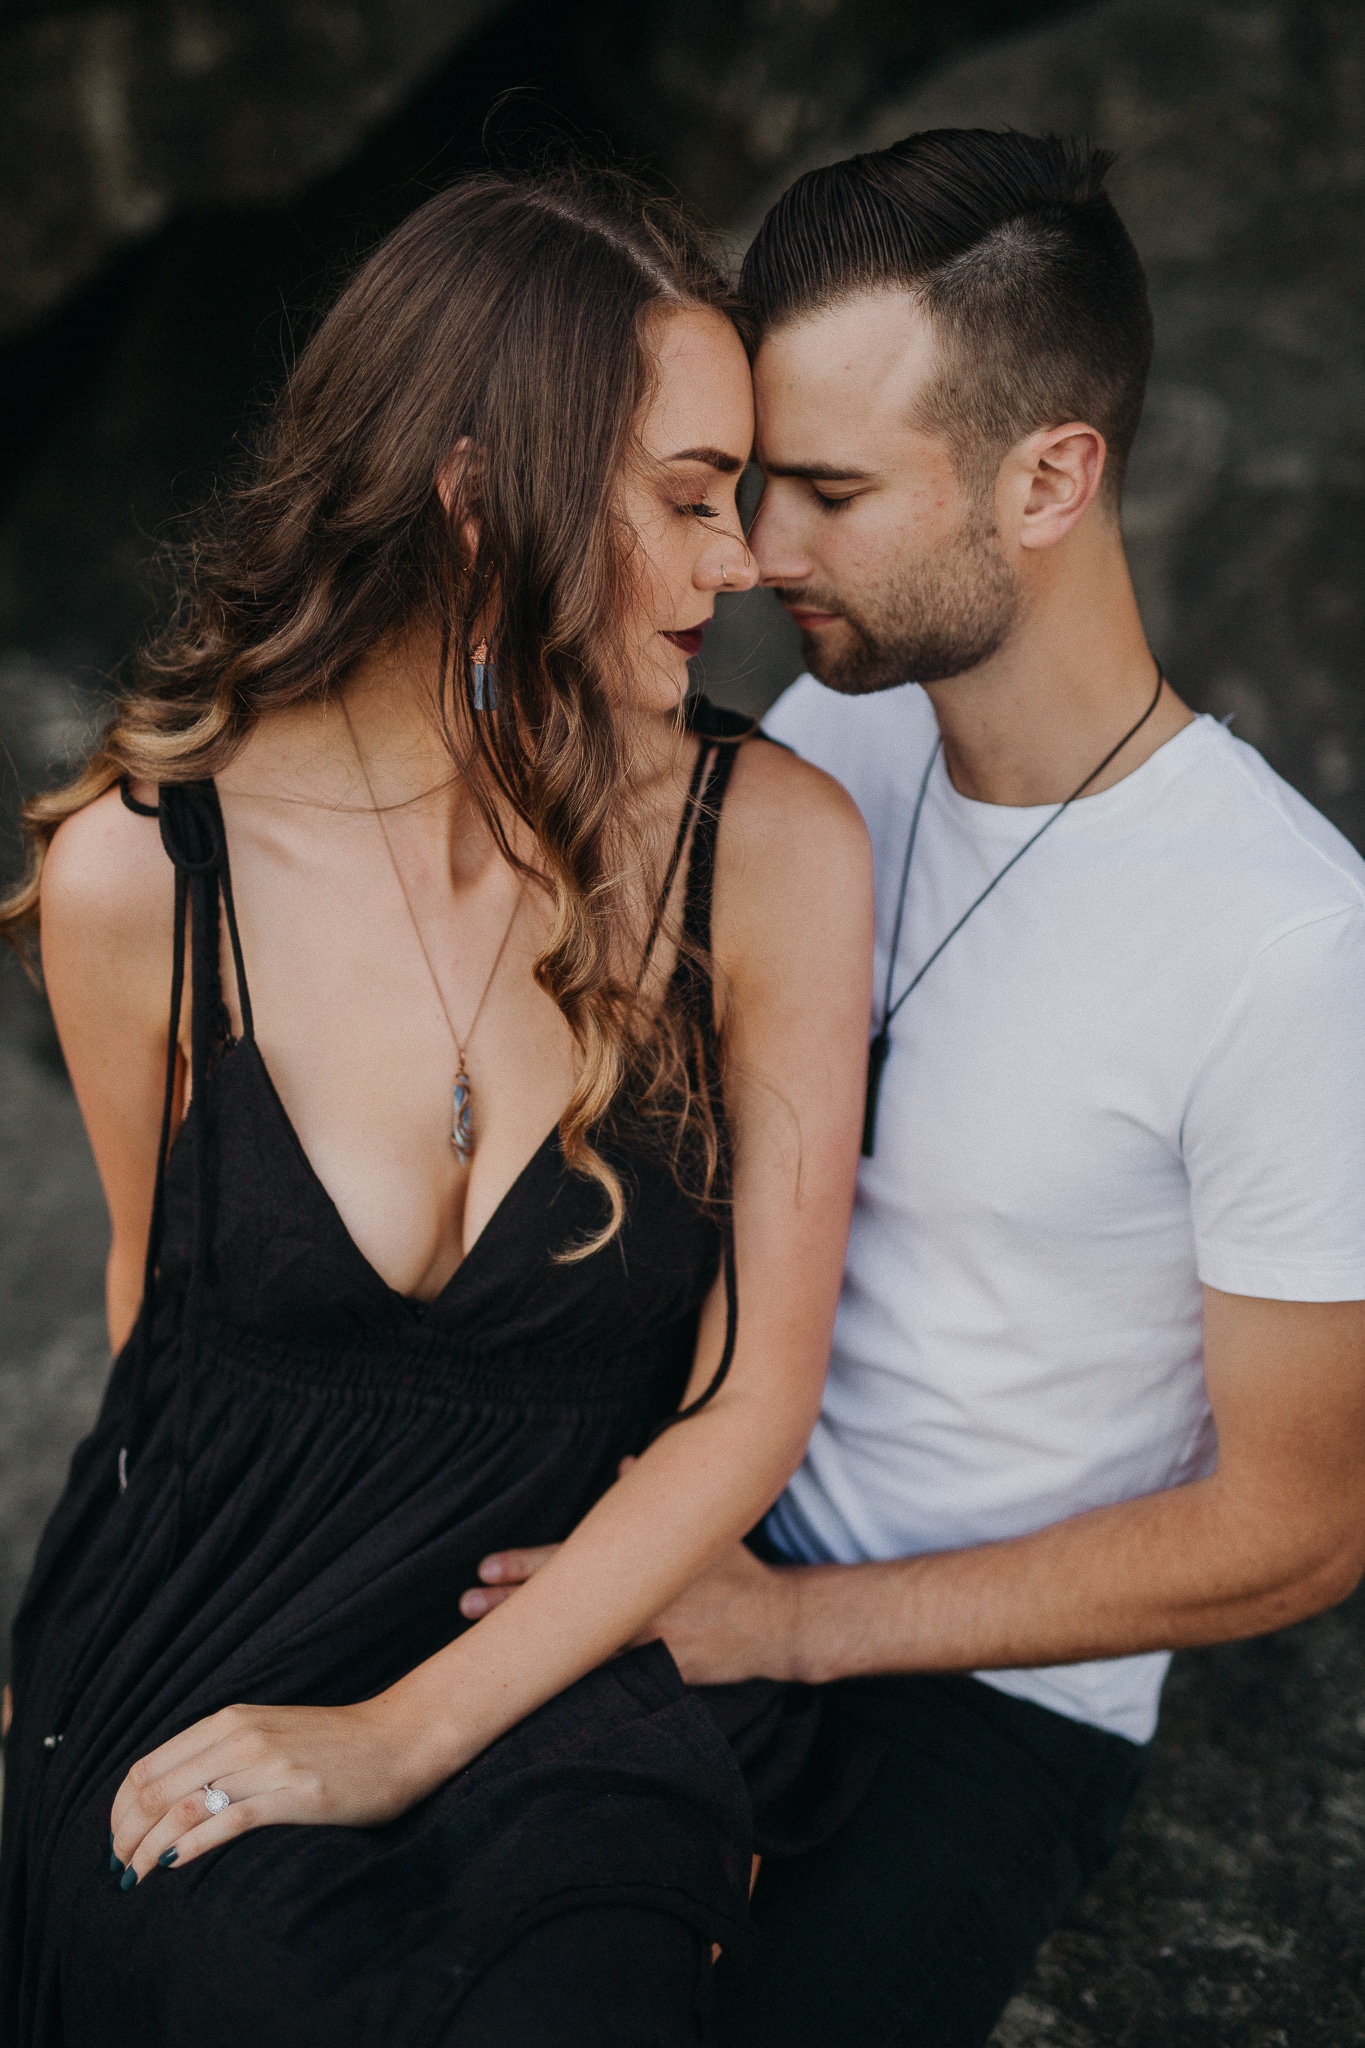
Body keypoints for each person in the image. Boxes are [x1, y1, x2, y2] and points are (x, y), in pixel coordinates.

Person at [465, 132, 1365, 2046]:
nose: (760, 554)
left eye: (831, 492)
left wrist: (788, 1627)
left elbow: (1300, 1524)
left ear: (1052, 476)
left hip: (987, 1688)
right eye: (753, 480)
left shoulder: (1288, 946)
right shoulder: (834, 741)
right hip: (694, 1493)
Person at [0, 168, 876, 2046]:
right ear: (482, 493)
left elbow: (750, 1403)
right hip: (207, 1612)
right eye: (684, 498)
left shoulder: (773, 853)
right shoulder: (148, 873)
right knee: (214, 1961)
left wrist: (398, 1738)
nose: (739, 563)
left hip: (547, 1643)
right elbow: (162, 1328)